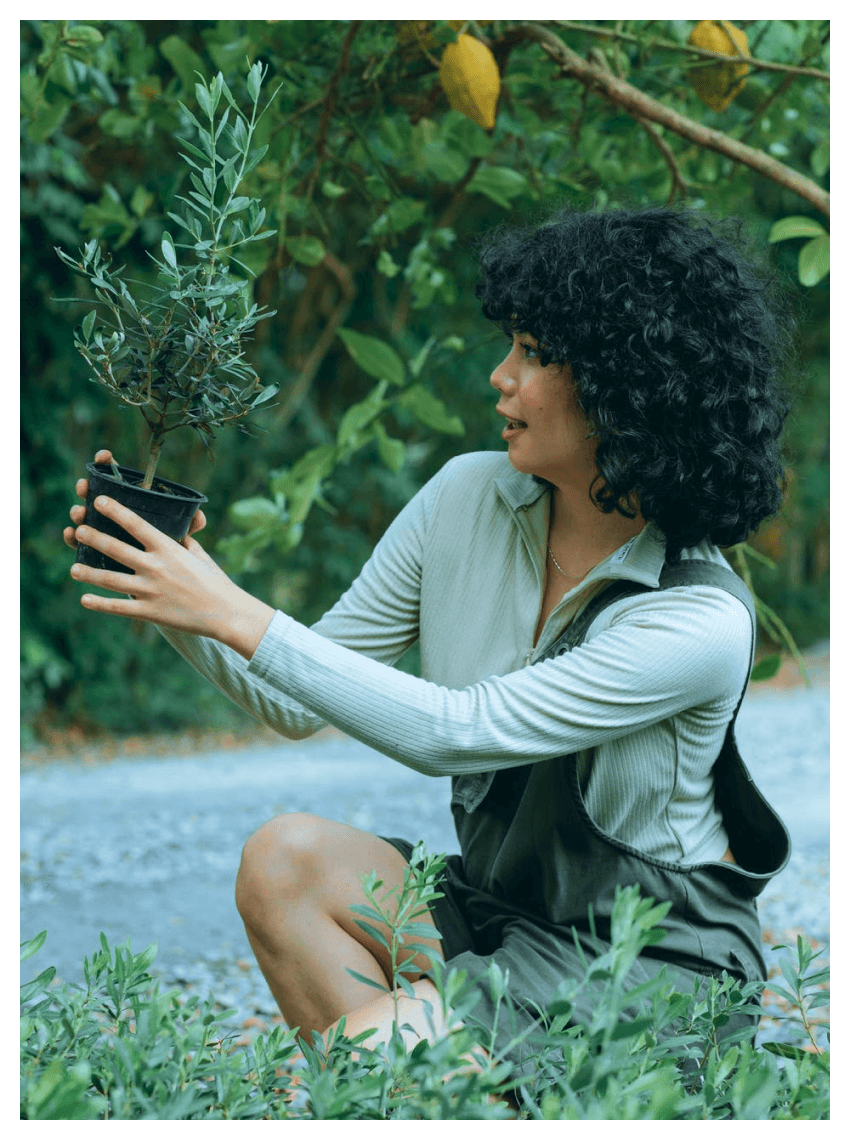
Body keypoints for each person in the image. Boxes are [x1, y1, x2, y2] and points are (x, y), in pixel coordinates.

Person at [63, 205, 794, 1079]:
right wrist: (169, 584)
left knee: (373, 1055)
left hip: (647, 973)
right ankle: (446, 1095)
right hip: (501, 914)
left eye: (532, 352)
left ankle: (441, 1089)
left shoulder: (697, 619)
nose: (501, 376)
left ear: (623, 382)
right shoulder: (466, 497)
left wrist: (233, 610)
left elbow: (457, 729)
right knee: (284, 861)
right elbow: (292, 698)